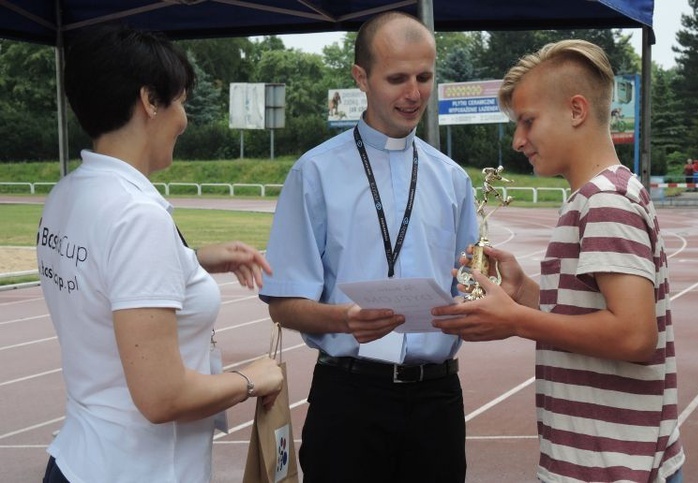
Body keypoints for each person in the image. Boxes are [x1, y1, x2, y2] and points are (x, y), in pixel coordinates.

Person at [36, 24, 283, 483]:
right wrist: (253, 378)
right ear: (150, 100)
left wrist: (194, 260)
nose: (184, 119)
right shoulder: (136, 216)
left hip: (80, 457)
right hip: (139, 469)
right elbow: (162, 397)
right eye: (182, 100)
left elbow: (101, 275)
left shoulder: (67, 194)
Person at [432, 39, 685, 483]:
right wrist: (526, 293)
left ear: (576, 110)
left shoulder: (606, 202)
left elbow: (634, 335)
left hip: (614, 466)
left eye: (528, 122)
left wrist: (515, 321)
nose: (518, 140)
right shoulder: (604, 193)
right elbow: (592, 313)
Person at [259, 11, 478, 483]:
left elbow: (472, 287)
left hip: (436, 399)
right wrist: (345, 320)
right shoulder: (313, 174)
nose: (414, 93)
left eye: (424, 77)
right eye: (397, 78)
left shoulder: (453, 180)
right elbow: (283, 302)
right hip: (349, 396)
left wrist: (479, 308)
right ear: (361, 77)